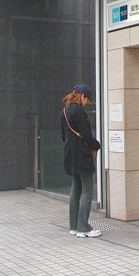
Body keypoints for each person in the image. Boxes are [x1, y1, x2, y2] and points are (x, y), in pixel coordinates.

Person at [61, 84, 102, 238]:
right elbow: (86, 133)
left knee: (75, 190)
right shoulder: (78, 111)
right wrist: (96, 146)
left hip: (70, 153)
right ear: (82, 96)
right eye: (86, 100)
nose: (86, 103)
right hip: (81, 154)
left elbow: (63, 135)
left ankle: (74, 226)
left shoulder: (65, 111)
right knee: (87, 189)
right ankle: (83, 227)